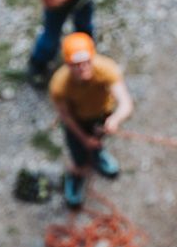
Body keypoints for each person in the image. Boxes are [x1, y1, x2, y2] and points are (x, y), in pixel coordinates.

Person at [49, 32, 134, 208]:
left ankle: (97, 155)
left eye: (86, 62)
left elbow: (125, 103)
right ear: (67, 64)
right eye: (76, 65)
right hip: (77, 120)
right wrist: (83, 138)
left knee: (97, 142)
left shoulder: (106, 69)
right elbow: (65, 116)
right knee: (79, 156)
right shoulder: (60, 84)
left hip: (101, 117)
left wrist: (115, 119)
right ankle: (76, 175)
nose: (83, 68)